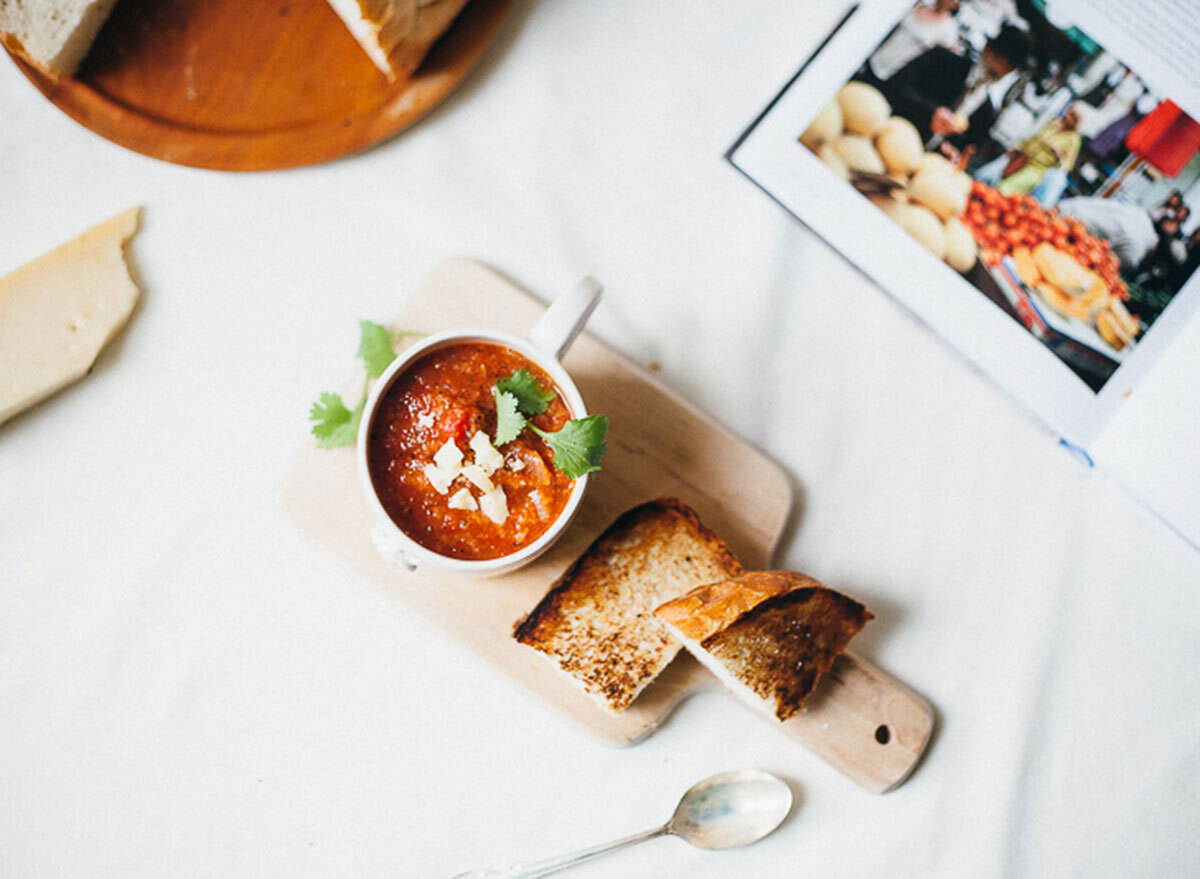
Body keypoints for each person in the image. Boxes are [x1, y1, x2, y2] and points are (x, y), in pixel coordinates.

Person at [881, 24, 1032, 154]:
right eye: (997, 57)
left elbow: (967, 151)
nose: (999, 67)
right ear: (986, 49)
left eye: (1008, 66)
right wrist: (931, 112)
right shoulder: (942, 60)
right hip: (884, 136)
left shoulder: (987, 114)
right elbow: (895, 85)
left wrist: (949, 152)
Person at [996, 105, 1084, 198]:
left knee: (1005, 189)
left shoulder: (1073, 139)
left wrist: (1058, 154)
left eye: (1073, 117)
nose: (1068, 117)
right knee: (998, 181)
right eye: (1069, 113)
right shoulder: (1054, 123)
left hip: (1037, 169)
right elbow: (1034, 137)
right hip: (1023, 159)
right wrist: (1018, 148)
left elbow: (1068, 164)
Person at [866, 0, 962, 83]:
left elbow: (941, 60)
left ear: (956, 4)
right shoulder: (919, 6)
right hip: (873, 57)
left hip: (895, 74)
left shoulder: (949, 29)